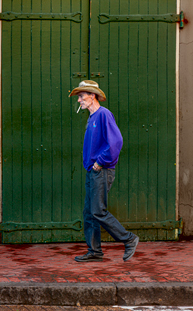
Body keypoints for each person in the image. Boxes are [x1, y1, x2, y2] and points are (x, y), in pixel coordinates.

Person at [69, 79, 139, 263]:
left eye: (81, 96)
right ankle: (95, 251)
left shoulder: (103, 114)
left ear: (92, 96)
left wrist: (100, 162)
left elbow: (116, 142)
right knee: (89, 213)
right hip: (93, 171)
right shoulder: (93, 117)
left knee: (98, 211)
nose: (79, 100)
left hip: (102, 170)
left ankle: (129, 239)